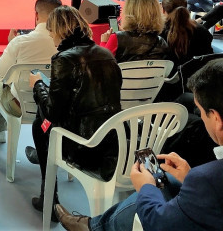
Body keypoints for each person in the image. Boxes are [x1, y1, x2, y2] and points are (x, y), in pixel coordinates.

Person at [56, 58, 223, 231]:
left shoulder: (207, 179)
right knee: (166, 181)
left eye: (201, 112)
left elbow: (156, 224)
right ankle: (96, 225)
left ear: (217, 119)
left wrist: (145, 187)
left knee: (155, 186)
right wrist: (189, 178)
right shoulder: (205, 179)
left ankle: (95, 227)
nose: (200, 117)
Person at [30, 6, 122, 220]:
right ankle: (47, 191)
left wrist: (37, 86)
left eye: (51, 30)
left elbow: (52, 111)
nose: (50, 35)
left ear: (59, 30)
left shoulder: (63, 59)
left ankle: (49, 197)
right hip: (113, 141)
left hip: (83, 146)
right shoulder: (106, 54)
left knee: (40, 124)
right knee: (43, 124)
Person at [0, 0, 62, 143]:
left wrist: (11, 45)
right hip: (57, 105)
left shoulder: (21, 42)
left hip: (20, 105)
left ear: (36, 15)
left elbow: (0, 72)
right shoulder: (69, 43)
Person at [100, 0, 169, 62]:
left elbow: (101, 63)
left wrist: (104, 42)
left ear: (129, 12)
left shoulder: (117, 38)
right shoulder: (161, 42)